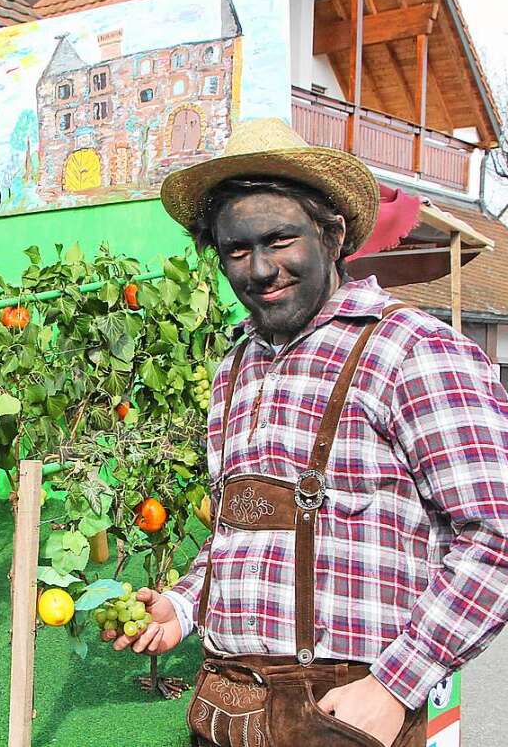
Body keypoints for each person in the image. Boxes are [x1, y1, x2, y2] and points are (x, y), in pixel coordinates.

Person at [110, 118, 508, 747]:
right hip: (226, 704)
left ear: (333, 233)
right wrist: (184, 606)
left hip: (350, 708)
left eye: (280, 239)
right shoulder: (233, 367)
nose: (261, 269)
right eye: (236, 250)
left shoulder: (413, 351)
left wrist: (395, 684)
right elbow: (239, 532)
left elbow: (496, 535)